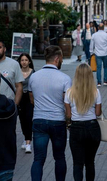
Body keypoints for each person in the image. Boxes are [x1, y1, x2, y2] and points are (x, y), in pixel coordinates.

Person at [29, 45, 71, 181]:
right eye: (62, 59)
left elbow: (32, 99)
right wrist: (68, 119)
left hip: (39, 120)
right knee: (59, 157)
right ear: (57, 59)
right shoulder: (65, 78)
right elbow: (67, 102)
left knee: (38, 159)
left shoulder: (34, 77)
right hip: (58, 121)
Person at [64, 64, 101, 181]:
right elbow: (98, 113)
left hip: (76, 128)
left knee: (77, 163)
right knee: (90, 162)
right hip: (92, 127)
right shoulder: (96, 92)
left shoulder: (69, 93)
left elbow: (68, 115)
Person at [0, 40, 24, 105]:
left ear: (4, 49)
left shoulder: (14, 64)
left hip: (9, 105)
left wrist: (15, 105)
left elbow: (19, 87)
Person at [17, 53, 35, 153]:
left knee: (28, 118)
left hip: (29, 97)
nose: (24, 62)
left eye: (26, 60)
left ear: (29, 61)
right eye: (22, 60)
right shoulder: (17, 72)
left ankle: (28, 142)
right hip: (20, 97)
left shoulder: (33, 73)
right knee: (22, 119)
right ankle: (25, 138)